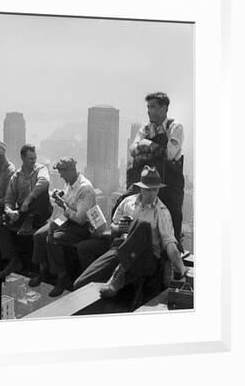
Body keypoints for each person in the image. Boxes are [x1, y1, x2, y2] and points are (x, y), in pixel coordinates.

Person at [73, 166, 187, 299]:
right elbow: (113, 229)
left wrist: (182, 268)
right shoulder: (127, 203)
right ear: (140, 188)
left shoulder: (161, 211)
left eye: (154, 190)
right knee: (80, 284)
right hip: (121, 250)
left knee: (141, 225)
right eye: (147, 189)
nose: (151, 193)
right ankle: (111, 283)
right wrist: (119, 228)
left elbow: (170, 244)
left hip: (145, 257)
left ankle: (118, 276)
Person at [30, 157, 96, 297]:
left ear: (71, 171)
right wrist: (61, 195)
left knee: (53, 238)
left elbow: (80, 219)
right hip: (66, 220)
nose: (60, 175)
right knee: (39, 235)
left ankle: (62, 277)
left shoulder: (85, 188)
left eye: (62, 172)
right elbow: (69, 202)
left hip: (81, 227)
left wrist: (63, 205)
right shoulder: (69, 183)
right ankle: (43, 270)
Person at [128, 92, 185, 241]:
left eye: (152, 107)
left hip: (170, 183)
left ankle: (172, 254)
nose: (148, 111)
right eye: (148, 107)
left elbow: (169, 154)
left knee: (172, 216)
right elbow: (133, 150)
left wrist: (147, 144)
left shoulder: (175, 127)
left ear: (164, 108)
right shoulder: (146, 129)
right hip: (149, 182)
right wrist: (154, 150)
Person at [0, 144, 53, 278]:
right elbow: (9, 199)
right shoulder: (16, 176)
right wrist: (10, 212)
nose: (33, 161)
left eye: (34, 158)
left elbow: (44, 182)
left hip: (39, 210)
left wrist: (28, 199)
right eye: (30, 158)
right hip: (24, 211)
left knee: (40, 193)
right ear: (23, 158)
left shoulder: (41, 169)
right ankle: (13, 259)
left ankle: (29, 221)